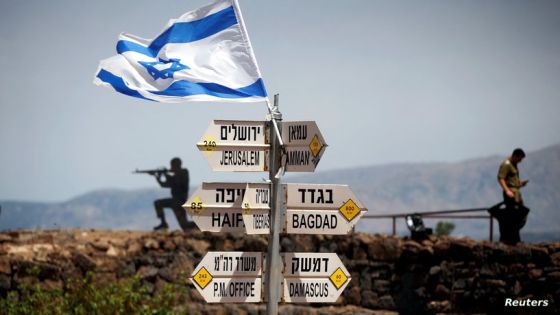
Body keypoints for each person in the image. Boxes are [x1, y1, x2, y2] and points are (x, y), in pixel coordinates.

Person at [495, 148, 530, 244]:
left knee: (519, 215)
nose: (520, 161)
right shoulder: (506, 164)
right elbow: (500, 178)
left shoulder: (514, 165)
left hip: (516, 193)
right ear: (515, 156)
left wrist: (520, 184)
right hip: (510, 194)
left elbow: (511, 180)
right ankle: (510, 239)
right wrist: (507, 191)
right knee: (513, 217)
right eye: (519, 159)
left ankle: (513, 237)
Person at [153, 157, 191, 231]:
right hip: (176, 202)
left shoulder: (184, 172)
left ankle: (163, 224)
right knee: (185, 226)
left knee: (158, 203)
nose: (171, 167)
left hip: (178, 202)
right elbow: (164, 185)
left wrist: (165, 174)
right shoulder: (176, 175)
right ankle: (163, 223)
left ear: (177, 165)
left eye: (172, 166)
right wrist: (158, 178)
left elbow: (176, 181)